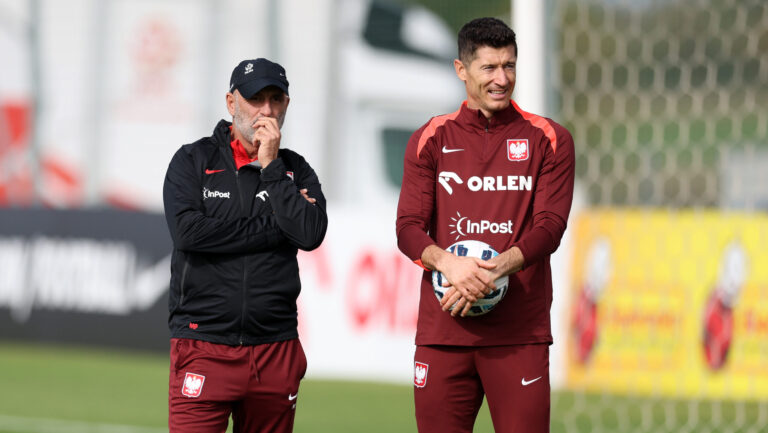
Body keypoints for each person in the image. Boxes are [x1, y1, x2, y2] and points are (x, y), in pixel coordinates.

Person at [396, 18, 575, 433]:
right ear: (462, 70)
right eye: (489, 68)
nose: (502, 79)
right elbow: (408, 227)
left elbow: (550, 227)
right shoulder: (430, 138)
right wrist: (448, 264)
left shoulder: (549, 139)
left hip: (519, 334)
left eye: (509, 66)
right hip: (445, 329)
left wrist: (493, 270)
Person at [163, 58, 327, 433]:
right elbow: (189, 234)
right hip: (204, 342)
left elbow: (310, 234)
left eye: (276, 99)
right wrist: (275, 229)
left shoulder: (295, 170)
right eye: (255, 99)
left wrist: (271, 169)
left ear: (286, 105)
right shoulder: (192, 160)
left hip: (275, 348)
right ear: (231, 102)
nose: (266, 110)